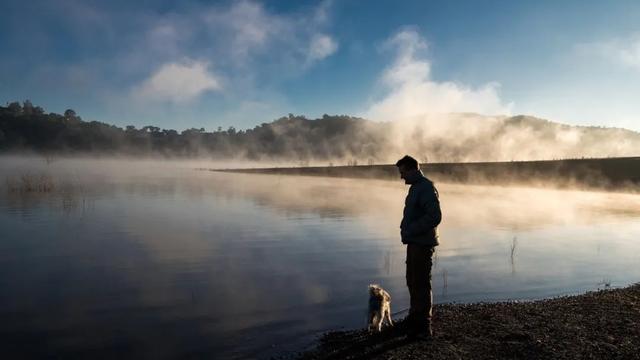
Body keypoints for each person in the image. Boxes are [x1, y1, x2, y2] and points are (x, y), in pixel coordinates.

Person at [396, 155, 442, 340]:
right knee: (412, 280)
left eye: (403, 172)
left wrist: (411, 230)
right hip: (415, 242)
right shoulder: (416, 188)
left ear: (412, 169)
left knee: (421, 283)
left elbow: (435, 216)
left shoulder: (425, 187)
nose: (401, 177)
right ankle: (415, 318)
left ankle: (424, 327)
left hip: (422, 244)